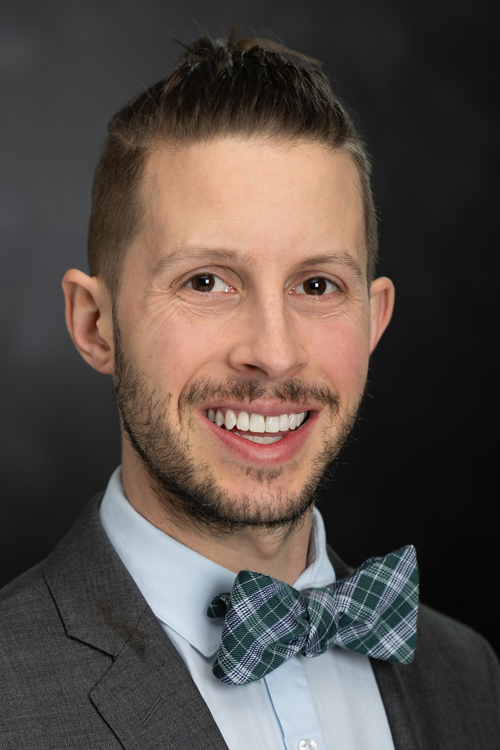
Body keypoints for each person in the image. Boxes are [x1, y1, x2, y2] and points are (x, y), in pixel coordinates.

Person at [0, 28, 498, 750]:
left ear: (372, 320)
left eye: (318, 285)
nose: (273, 353)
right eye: (206, 282)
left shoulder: (468, 678)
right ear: (95, 323)